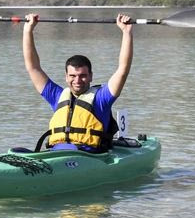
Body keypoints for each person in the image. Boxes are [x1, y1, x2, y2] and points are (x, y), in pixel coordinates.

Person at [22, 13, 133, 152]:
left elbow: (122, 70)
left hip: (88, 157)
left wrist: (126, 32)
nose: (77, 80)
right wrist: (28, 30)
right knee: (18, 150)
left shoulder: (101, 98)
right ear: (66, 77)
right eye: (73, 76)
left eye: (83, 76)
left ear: (91, 76)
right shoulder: (57, 96)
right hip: (56, 154)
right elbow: (33, 67)